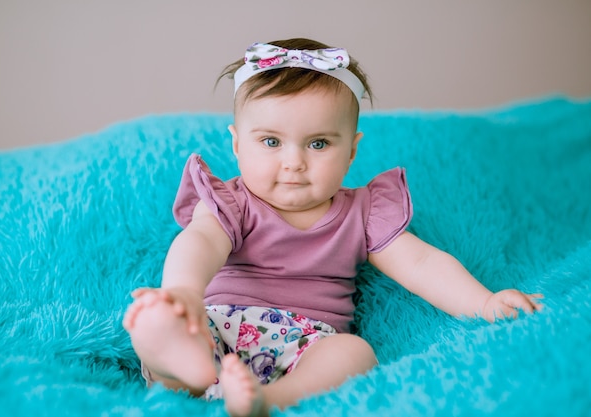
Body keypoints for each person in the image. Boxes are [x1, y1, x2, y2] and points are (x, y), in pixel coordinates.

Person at [123, 38, 543, 417]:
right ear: (236, 145)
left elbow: (420, 264)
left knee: (354, 353)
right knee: (160, 321)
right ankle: (186, 365)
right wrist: (182, 293)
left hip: (308, 346)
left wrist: (486, 303)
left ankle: (265, 400)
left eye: (318, 143)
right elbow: (200, 241)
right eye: (271, 142)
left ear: (352, 151)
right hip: (219, 324)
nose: (294, 162)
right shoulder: (233, 202)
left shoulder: (364, 213)